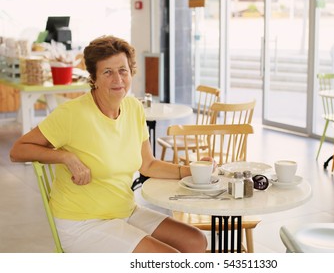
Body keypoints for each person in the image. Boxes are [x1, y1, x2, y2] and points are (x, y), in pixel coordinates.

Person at [9, 35, 208, 253]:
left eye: (123, 70)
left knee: (196, 241)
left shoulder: (134, 109)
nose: (118, 79)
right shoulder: (72, 114)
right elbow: (18, 150)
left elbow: (148, 165)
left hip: (124, 210)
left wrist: (192, 171)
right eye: (107, 72)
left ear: (131, 71)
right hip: (83, 222)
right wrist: (65, 156)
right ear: (93, 77)